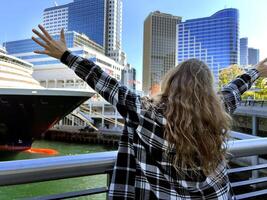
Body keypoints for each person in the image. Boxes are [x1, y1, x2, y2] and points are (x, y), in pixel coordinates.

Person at [32, 25, 267, 199]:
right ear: (208, 89)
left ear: (172, 82)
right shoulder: (218, 112)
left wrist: (65, 55)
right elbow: (233, 89)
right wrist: (256, 70)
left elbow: (104, 82)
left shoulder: (145, 113)